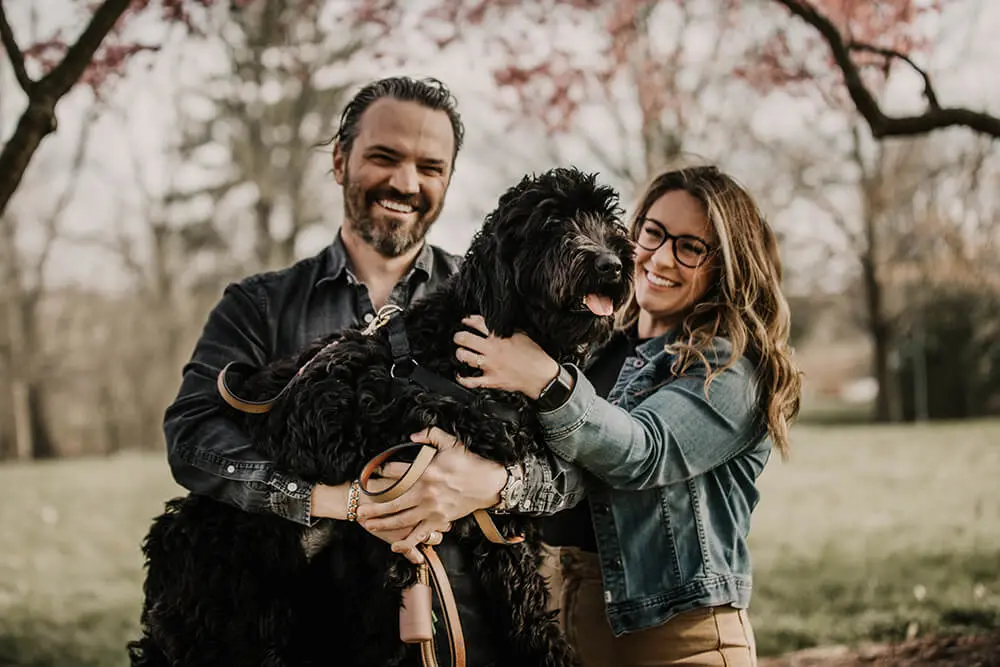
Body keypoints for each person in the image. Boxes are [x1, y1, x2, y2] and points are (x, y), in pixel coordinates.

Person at [357, 164, 803, 666]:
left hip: (677, 644)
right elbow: (570, 471)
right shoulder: (594, 345)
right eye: (651, 234)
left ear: (727, 265)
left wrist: (543, 380)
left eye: (691, 247)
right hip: (565, 628)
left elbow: (641, 454)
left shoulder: (732, 370)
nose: (658, 258)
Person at [164, 75, 468, 539]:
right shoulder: (258, 305)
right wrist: (332, 501)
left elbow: (565, 459)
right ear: (341, 161)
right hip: (302, 602)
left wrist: (494, 487)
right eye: (384, 157)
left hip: (458, 605)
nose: (406, 183)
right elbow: (192, 435)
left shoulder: (488, 302)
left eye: (430, 168)